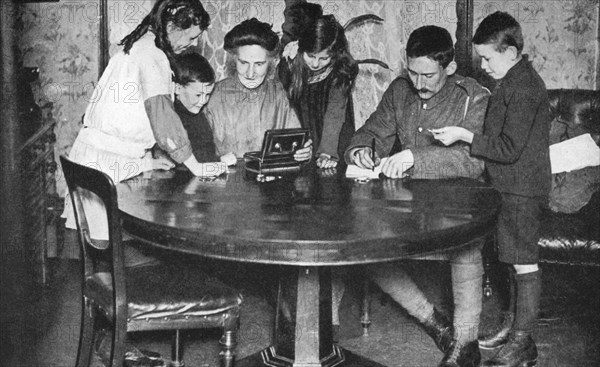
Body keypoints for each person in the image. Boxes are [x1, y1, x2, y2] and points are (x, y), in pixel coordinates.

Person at [345, 25, 490, 367]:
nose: (419, 83)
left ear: (450, 68)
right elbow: (370, 130)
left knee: (466, 242)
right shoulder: (400, 90)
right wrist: (361, 150)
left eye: (428, 75)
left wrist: (414, 158)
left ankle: (466, 341)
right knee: (366, 242)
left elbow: (474, 161)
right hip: (408, 197)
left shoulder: (474, 96)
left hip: (457, 197)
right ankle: (431, 320)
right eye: (412, 72)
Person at [431, 11, 551, 367]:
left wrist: (464, 135)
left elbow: (508, 148)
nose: (483, 65)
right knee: (511, 262)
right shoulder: (514, 80)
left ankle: (523, 342)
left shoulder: (524, 87)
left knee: (525, 266)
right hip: (509, 188)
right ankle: (514, 327)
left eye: (488, 57)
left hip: (522, 191)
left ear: (511, 53)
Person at [62, 0, 226, 241]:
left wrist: (144, 163)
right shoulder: (152, 55)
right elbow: (162, 116)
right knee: (108, 245)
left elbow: (129, 116)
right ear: (171, 24)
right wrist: (196, 166)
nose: (191, 45)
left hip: (99, 157)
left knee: (103, 247)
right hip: (106, 164)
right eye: (190, 37)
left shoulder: (141, 44)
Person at [204, 18, 312, 160]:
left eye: (259, 64)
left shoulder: (279, 94)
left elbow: (295, 142)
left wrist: (303, 152)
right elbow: (198, 151)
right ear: (234, 59)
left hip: (269, 178)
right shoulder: (213, 95)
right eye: (243, 63)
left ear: (272, 62)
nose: (250, 73)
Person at [278, 14, 358, 168]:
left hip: (332, 137)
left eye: (323, 59)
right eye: (310, 56)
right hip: (300, 129)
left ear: (335, 55)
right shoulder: (290, 64)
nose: (315, 64)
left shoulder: (339, 74)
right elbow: (281, 105)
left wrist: (326, 152)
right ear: (301, 48)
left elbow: (334, 116)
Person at [157, 52, 236, 166]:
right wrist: (220, 162)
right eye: (198, 95)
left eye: (208, 94)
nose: (203, 101)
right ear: (178, 88)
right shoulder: (172, 118)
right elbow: (182, 161)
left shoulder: (196, 113)